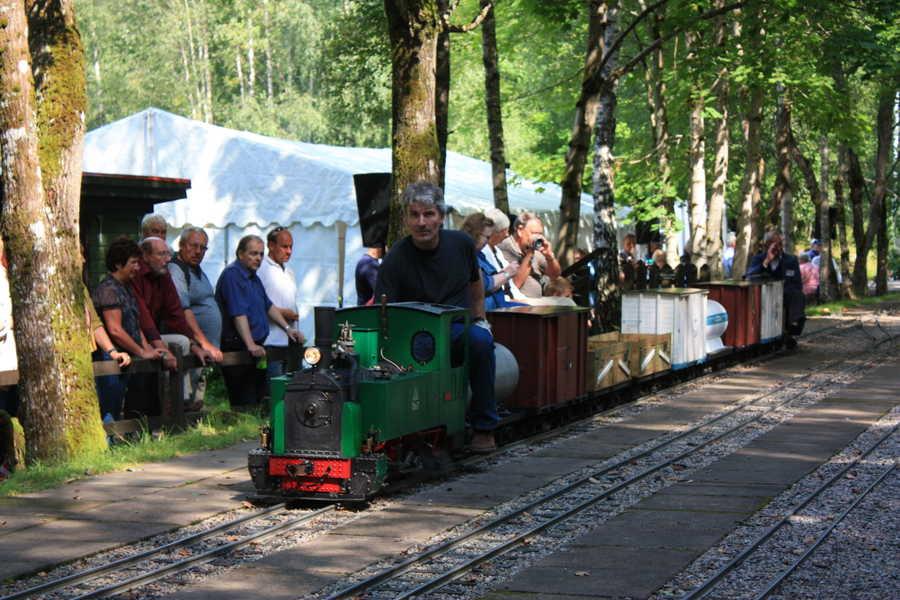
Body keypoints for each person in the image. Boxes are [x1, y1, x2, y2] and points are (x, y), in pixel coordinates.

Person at [375, 182, 498, 453]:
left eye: (429, 214)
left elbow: (475, 283)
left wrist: (481, 319)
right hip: (414, 334)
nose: (422, 222)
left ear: (441, 216)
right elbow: (384, 312)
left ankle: (484, 428)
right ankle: (411, 426)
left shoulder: (462, 245)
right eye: (414, 215)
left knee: (480, 342)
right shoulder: (395, 258)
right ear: (406, 219)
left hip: (455, 326)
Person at [216, 235, 301, 407]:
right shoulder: (233, 275)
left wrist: (288, 329)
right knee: (244, 401)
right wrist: (250, 344)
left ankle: (253, 430)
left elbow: (268, 306)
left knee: (257, 399)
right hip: (237, 348)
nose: (258, 258)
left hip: (254, 349)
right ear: (240, 254)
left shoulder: (253, 277)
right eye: (253, 253)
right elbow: (238, 313)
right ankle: (241, 432)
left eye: (261, 254)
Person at [92, 237, 170, 419]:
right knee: (109, 407)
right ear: (119, 264)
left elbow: (135, 324)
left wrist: (146, 349)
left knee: (128, 404)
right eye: (133, 263)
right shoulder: (108, 290)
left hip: (129, 354)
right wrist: (142, 353)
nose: (137, 268)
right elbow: (115, 330)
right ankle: (108, 446)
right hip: (111, 357)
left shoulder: (126, 287)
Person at [133, 237, 214, 410]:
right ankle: (170, 403)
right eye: (161, 254)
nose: (168, 259)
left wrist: (195, 346)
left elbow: (176, 314)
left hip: (152, 337)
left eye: (168, 254)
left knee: (182, 341)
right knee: (163, 356)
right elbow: (143, 318)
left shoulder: (163, 275)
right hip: (134, 336)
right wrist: (162, 348)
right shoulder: (136, 275)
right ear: (145, 256)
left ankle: (180, 399)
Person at [169, 227, 224, 408]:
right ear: (182, 245)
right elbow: (183, 309)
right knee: (184, 393)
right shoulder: (177, 270)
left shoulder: (198, 270)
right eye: (194, 246)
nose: (198, 251)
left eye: (203, 248)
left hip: (205, 351)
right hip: (192, 346)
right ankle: (180, 429)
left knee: (197, 394)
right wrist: (204, 342)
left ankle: (194, 426)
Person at [745, 230, 806, 348]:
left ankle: (792, 328)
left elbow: (797, 283)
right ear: (767, 245)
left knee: (798, 295)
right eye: (774, 244)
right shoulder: (759, 259)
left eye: (779, 244)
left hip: (786, 295)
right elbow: (749, 276)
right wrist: (767, 261)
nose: (777, 247)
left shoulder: (791, 260)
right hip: (764, 296)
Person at [257, 227, 304, 377]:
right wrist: (284, 313)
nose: (289, 251)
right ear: (271, 245)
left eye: (291, 247)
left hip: (291, 340)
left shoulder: (289, 271)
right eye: (284, 246)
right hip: (271, 341)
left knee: (293, 388)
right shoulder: (261, 268)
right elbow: (257, 303)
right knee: (275, 389)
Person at [461, 213, 520, 311]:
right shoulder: (465, 256)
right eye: (487, 237)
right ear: (476, 234)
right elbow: (482, 285)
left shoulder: (479, 254)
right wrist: (506, 274)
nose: (487, 241)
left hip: (497, 306)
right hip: (488, 312)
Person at [497, 211, 561, 298]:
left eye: (540, 234)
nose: (539, 237)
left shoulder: (537, 249)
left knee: (568, 303)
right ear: (519, 230)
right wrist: (530, 254)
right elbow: (515, 285)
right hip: (518, 304)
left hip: (538, 303)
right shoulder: (505, 248)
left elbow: (555, 275)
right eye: (534, 233)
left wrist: (550, 257)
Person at [481, 207, 524, 302]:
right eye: (505, 230)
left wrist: (522, 299)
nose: (507, 234)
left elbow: (511, 286)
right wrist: (508, 273)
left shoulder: (496, 250)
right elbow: (488, 284)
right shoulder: (483, 252)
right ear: (495, 232)